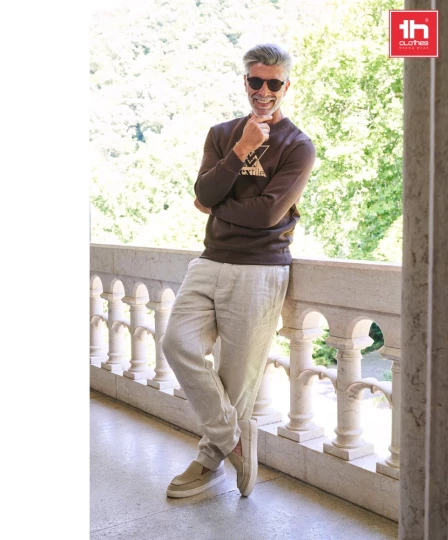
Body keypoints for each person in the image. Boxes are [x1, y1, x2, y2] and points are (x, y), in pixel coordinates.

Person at [161, 43, 316, 499]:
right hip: (210, 260)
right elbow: (205, 191)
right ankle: (235, 442)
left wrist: (215, 204)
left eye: (273, 83)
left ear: (286, 86)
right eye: (256, 81)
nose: (263, 91)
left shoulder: (298, 146)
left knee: (236, 377)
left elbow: (266, 214)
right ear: (245, 81)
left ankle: (208, 460)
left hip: (260, 269)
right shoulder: (221, 134)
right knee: (177, 343)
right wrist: (243, 149)